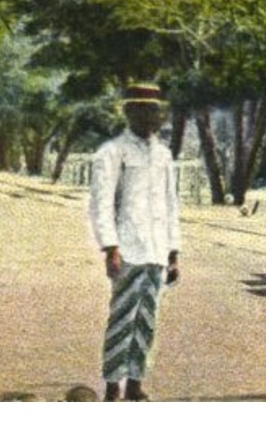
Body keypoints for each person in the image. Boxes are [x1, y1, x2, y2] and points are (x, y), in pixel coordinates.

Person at [88, 82, 182, 402]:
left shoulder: (164, 155)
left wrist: (173, 252)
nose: (150, 117)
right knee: (122, 319)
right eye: (142, 110)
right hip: (128, 249)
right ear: (129, 112)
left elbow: (170, 204)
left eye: (154, 111)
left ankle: (135, 383)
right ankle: (113, 385)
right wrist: (110, 247)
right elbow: (101, 205)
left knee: (147, 320)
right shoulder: (111, 152)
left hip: (156, 250)